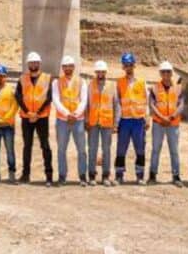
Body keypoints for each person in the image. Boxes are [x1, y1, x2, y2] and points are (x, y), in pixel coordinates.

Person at [15, 51, 53, 186]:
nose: (33, 64)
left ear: (39, 63)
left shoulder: (48, 78)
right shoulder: (22, 78)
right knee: (27, 146)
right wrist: (28, 112)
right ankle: (25, 175)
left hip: (42, 117)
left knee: (45, 146)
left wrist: (36, 113)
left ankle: (49, 175)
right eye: (31, 62)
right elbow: (18, 97)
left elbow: (49, 97)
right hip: (26, 117)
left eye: (36, 62)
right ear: (28, 64)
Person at [53, 55, 88, 186]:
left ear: (74, 67)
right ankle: (62, 176)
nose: (68, 68)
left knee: (81, 150)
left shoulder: (81, 81)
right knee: (61, 149)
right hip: (63, 120)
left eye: (70, 66)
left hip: (78, 120)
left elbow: (84, 100)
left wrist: (76, 114)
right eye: (65, 66)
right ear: (62, 68)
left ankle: (82, 176)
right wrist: (67, 114)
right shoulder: (56, 83)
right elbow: (56, 100)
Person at [148, 61, 184, 187]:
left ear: (171, 73)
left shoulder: (178, 88)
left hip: (173, 124)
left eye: (168, 71)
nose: (166, 74)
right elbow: (152, 105)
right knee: (156, 150)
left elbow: (181, 105)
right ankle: (152, 175)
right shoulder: (155, 88)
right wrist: (162, 117)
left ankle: (176, 176)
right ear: (160, 73)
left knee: (174, 151)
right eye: (163, 72)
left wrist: (172, 117)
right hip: (159, 123)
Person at [115, 52, 149, 185]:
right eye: (126, 65)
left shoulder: (141, 82)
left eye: (130, 65)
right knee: (121, 148)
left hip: (138, 121)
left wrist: (147, 117)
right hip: (125, 120)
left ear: (134, 66)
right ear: (123, 67)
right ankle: (119, 174)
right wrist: (116, 122)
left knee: (140, 148)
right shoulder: (119, 83)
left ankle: (140, 175)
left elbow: (147, 100)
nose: (128, 68)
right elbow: (117, 102)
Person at [86, 60, 119, 187]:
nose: (100, 73)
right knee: (92, 149)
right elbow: (87, 105)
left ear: (105, 72)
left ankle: (106, 175)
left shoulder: (112, 85)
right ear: (96, 72)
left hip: (107, 123)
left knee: (106, 150)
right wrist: (86, 120)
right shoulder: (90, 85)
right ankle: (92, 175)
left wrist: (115, 123)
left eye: (102, 71)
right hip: (93, 123)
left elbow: (116, 105)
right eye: (98, 71)